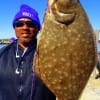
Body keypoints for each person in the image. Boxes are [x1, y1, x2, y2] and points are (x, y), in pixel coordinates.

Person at [0, 4, 56, 100]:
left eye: (31, 24)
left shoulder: (51, 54)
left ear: (38, 29)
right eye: (19, 24)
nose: (25, 27)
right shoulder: (2, 53)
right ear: (14, 28)